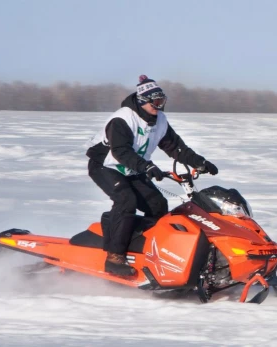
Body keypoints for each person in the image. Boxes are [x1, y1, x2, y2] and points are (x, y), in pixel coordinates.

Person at [85, 75, 218, 276]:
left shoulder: (160, 121)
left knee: (157, 206)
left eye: (162, 101)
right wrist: (146, 166)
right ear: (142, 101)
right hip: (106, 165)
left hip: (133, 168)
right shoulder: (122, 119)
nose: (159, 106)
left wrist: (200, 162)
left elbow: (176, 147)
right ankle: (114, 257)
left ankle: (142, 250)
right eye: (155, 102)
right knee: (125, 200)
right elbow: (120, 151)